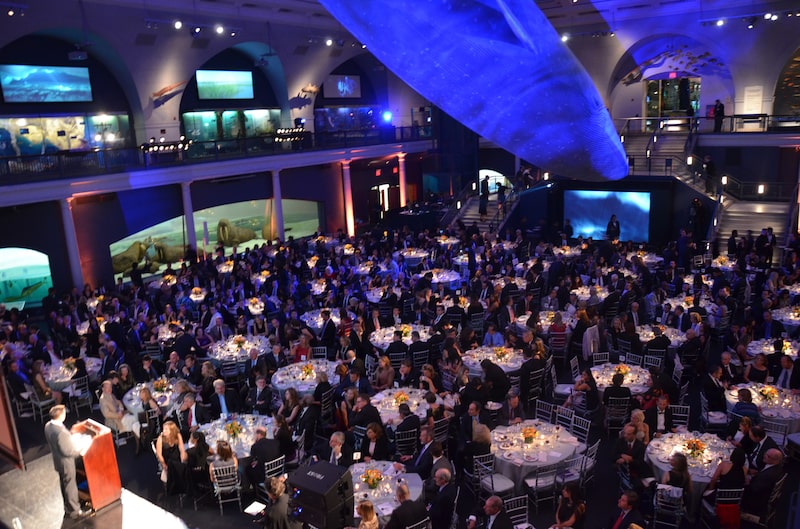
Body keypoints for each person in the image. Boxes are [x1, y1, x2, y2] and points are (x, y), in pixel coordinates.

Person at [45, 405, 90, 519]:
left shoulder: (48, 426)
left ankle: (67, 507)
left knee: (64, 484)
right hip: (66, 463)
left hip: (58, 461)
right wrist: (80, 450)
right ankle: (75, 511)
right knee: (70, 486)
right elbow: (68, 451)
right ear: (60, 415)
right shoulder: (61, 433)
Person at [99, 379, 141, 450]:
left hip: (120, 414)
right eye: (107, 388)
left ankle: (137, 435)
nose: (110, 389)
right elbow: (106, 414)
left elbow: (118, 402)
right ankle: (139, 440)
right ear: (103, 389)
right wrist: (118, 415)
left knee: (134, 414)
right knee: (135, 418)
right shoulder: (103, 400)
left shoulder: (110, 394)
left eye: (110, 387)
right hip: (114, 420)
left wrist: (121, 409)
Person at [741, 449, 784, 518]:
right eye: (765, 454)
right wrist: (757, 473)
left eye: (768, 456)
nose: (764, 456)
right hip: (764, 491)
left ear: (775, 460)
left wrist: (747, 481)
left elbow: (754, 489)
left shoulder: (768, 475)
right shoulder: (776, 467)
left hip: (756, 501)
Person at [156, 420, 188, 496]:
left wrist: (183, 460)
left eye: (166, 429)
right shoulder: (160, 439)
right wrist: (163, 464)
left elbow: (182, 449)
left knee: (184, 466)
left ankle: (184, 487)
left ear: (172, 430)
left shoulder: (177, 435)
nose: (164, 431)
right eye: (164, 429)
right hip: (167, 461)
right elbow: (159, 454)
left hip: (177, 459)